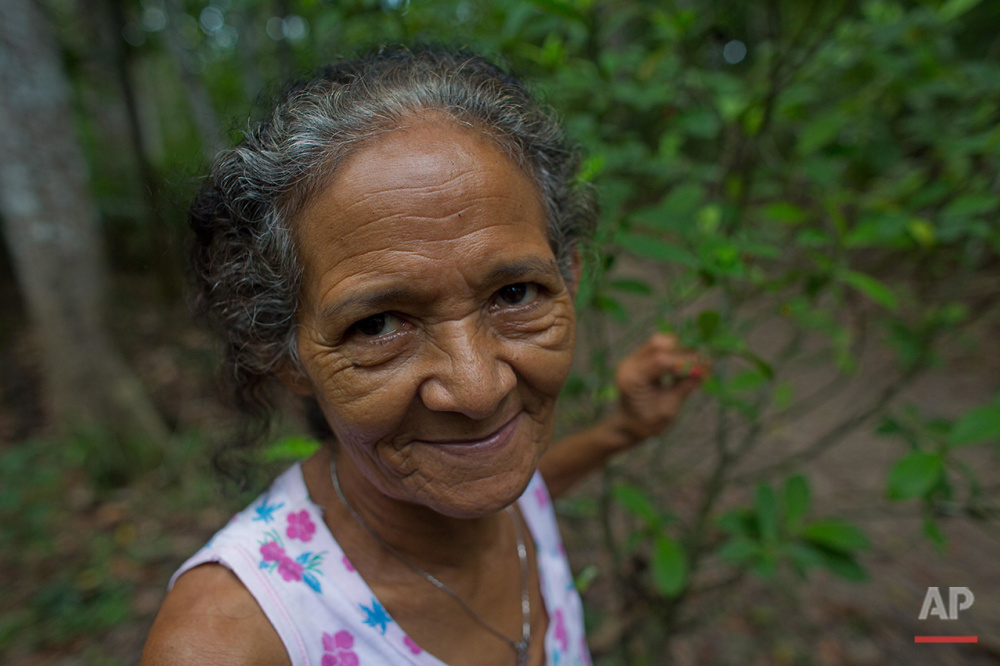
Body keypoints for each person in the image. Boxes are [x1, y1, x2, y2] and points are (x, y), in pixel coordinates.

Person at [143, 46, 705, 666]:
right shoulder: (231, 643)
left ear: (568, 280)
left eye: (514, 294)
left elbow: (526, 488)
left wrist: (623, 431)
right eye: (378, 325)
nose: (479, 390)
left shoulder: (489, 487)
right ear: (283, 353)